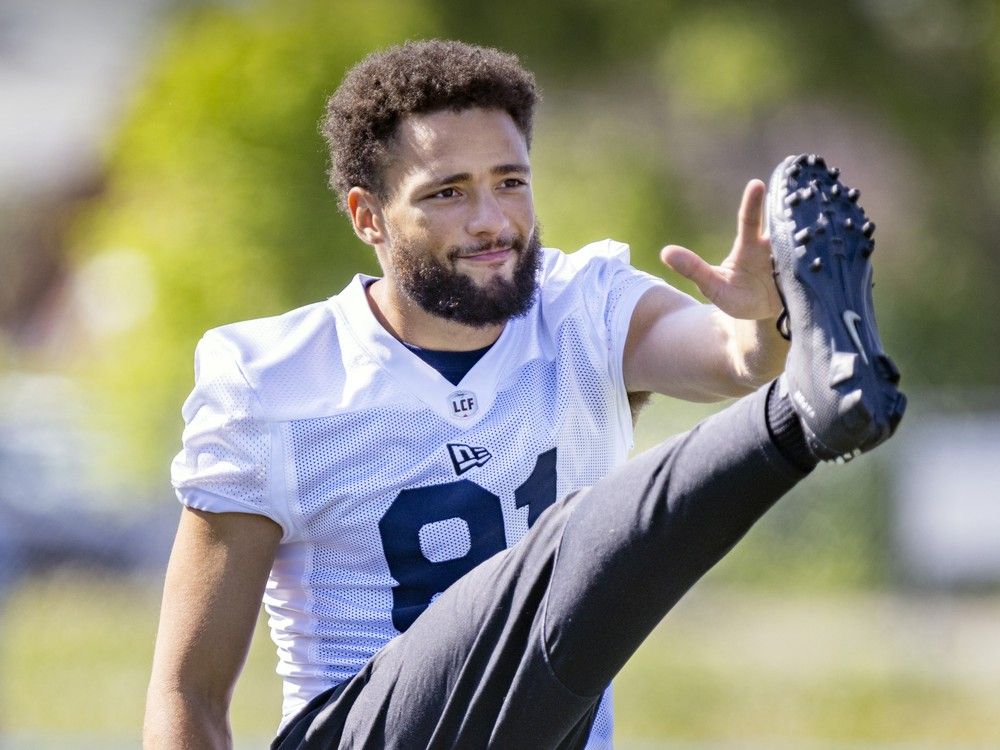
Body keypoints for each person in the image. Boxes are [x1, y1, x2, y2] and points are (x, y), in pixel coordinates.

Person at [143, 40, 905, 749]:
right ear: (366, 216)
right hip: (375, 732)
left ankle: (808, 403)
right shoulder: (276, 380)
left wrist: (768, 322)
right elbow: (189, 693)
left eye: (510, 182)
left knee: (587, 554)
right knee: (568, 546)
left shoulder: (580, 306)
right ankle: (798, 418)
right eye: (447, 193)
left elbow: (728, 358)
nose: (492, 221)